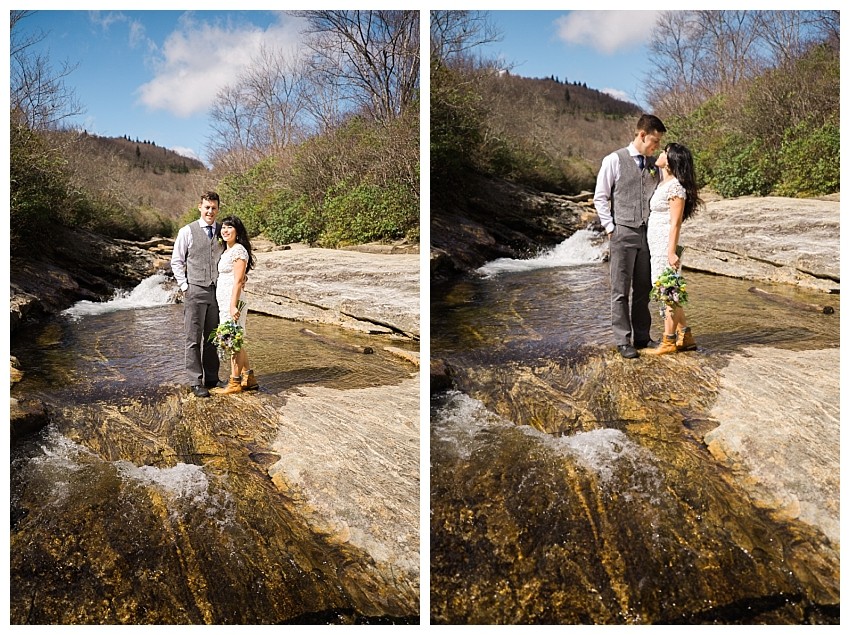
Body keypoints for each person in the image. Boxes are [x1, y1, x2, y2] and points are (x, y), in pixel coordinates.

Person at [594, 114, 667, 359]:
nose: (656, 147)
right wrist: (610, 227)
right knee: (620, 289)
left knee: (643, 289)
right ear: (642, 135)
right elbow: (600, 197)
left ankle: (643, 337)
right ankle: (623, 340)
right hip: (622, 232)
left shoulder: (653, 164)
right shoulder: (614, 160)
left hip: (647, 234)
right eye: (654, 141)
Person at [646, 142, 703, 355]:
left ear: (671, 161)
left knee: (668, 292)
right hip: (658, 246)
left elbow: (676, 223)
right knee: (667, 291)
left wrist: (671, 252)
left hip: (666, 247)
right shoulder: (664, 183)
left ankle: (668, 341)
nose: (660, 154)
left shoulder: (675, 187)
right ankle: (685, 336)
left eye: (664, 152)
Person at [171, 191, 225, 397]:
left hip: (217, 291)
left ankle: (212, 377)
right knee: (193, 338)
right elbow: (177, 261)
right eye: (207, 207)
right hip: (195, 290)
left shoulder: (223, 230)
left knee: (212, 337)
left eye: (214, 208)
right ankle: (195, 381)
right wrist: (185, 286)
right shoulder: (187, 231)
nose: (210, 211)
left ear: (218, 209)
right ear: (200, 207)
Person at [210, 215, 258, 395]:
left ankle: (235, 382)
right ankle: (248, 377)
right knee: (235, 340)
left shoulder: (238, 250)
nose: (225, 230)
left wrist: (233, 305)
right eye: (223, 227)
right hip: (225, 302)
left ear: (237, 232)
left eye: (230, 227)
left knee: (232, 342)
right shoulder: (227, 250)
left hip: (233, 301)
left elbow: (238, 281)